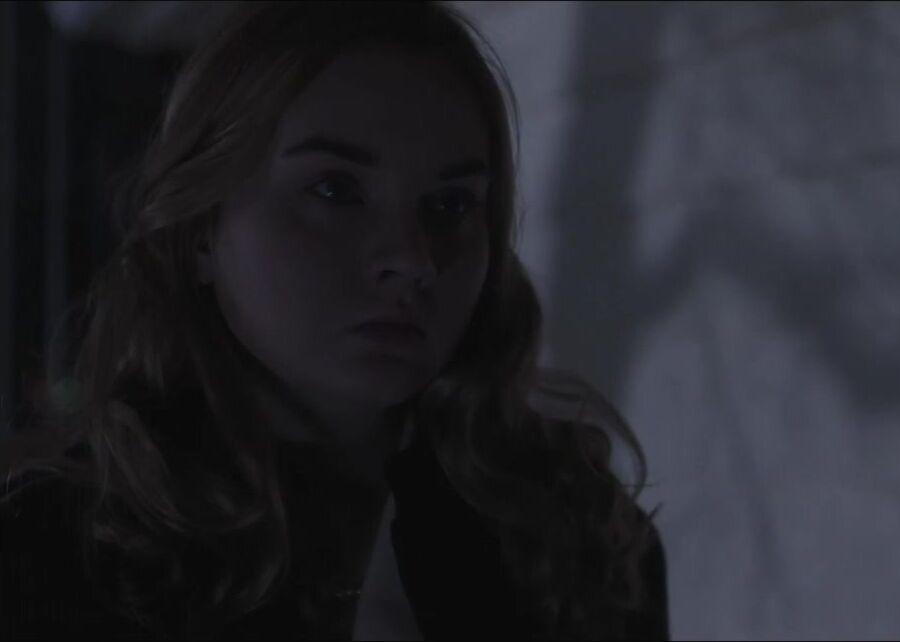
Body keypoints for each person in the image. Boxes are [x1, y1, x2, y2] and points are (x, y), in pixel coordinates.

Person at [0, 2, 668, 639]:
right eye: (335, 190)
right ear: (201, 226)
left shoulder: (575, 542)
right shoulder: (62, 552)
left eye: (452, 205)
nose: (414, 259)